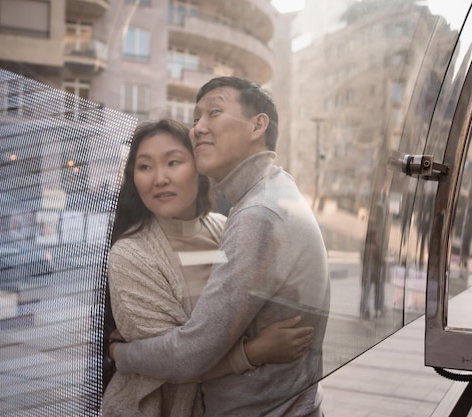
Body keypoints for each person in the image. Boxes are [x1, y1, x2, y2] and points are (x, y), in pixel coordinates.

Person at [112, 77, 331, 417]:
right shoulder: (268, 197)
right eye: (144, 166)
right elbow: (193, 354)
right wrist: (253, 351)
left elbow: (191, 355)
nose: (198, 128)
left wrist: (118, 354)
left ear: (258, 125)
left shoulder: (252, 216)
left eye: (213, 112)